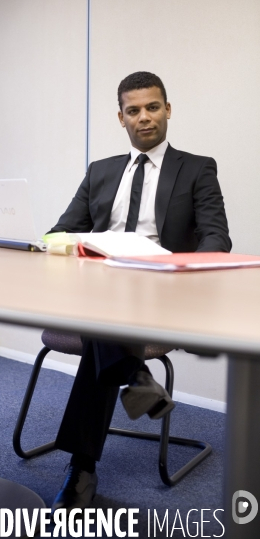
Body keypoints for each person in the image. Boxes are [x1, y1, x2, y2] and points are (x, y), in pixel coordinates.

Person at [48, 71, 231, 514]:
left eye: (153, 107)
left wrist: (180, 276)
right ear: (121, 117)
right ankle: (133, 376)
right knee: (102, 315)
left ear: (168, 110)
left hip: (157, 290)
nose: (144, 117)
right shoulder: (101, 171)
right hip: (100, 288)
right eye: (134, 110)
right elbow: (61, 230)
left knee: (99, 326)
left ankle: (82, 469)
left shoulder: (197, 167)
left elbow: (215, 238)